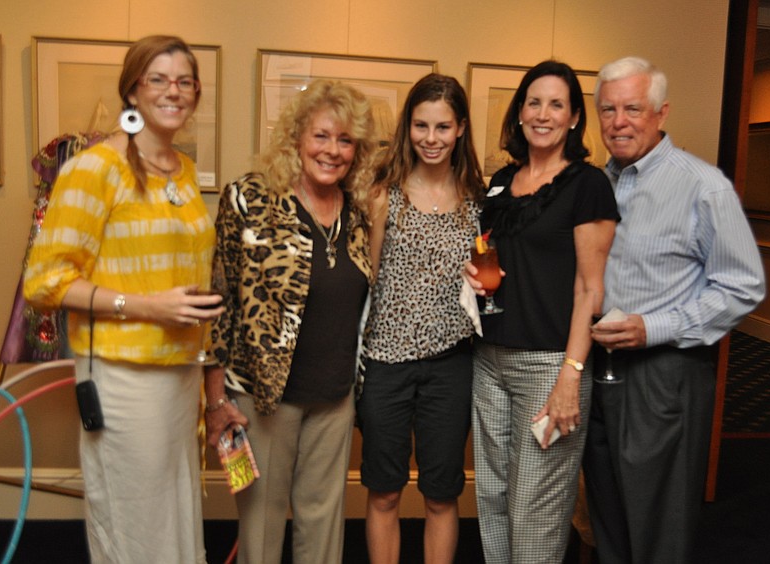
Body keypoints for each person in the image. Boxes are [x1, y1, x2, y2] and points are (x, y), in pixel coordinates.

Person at [23, 35, 221, 563]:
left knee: (174, 520)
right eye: (158, 79)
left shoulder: (180, 169)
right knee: (137, 526)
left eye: (184, 81)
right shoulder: (95, 169)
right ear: (133, 89)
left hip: (179, 373)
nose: (173, 91)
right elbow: (45, 281)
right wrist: (147, 307)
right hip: (122, 375)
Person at [583, 56, 766, 564]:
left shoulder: (703, 187)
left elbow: (742, 287)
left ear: (661, 113)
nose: (619, 122)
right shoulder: (598, 184)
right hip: (601, 373)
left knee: (660, 528)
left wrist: (653, 328)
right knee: (608, 521)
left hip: (665, 375)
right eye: (608, 110)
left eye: (633, 109)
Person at [203, 79, 377, 564]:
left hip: (335, 399)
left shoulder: (360, 213)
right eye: (322, 136)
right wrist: (215, 400)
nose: (332, 150)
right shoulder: (248, 199)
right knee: (260, 528)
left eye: (345, 141)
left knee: (323, 527)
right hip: (261, 401)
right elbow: (220, 305)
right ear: (297, 137)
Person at [467, 60, 619, 563]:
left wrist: (571, 375)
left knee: (536, 505)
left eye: (557, 104)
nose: (543, 113)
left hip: (548, 365)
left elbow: (589, 289)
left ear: (575, 117)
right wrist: (479, 276)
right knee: (492, 495)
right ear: (520, 111)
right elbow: (493, 257)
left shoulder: (587, 185)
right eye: (534, 102)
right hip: (489, 359)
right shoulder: (501, 180)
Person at [357, 73, 485, 564]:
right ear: (407, 127)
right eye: (421, 126)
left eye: (442, 127)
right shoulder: (383, 193)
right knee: (385, 491)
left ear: (460, 130)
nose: (430, 139)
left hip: (451, 366)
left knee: (440, 493)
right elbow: (365, 280)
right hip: (385, 364)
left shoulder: (476, 199)